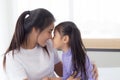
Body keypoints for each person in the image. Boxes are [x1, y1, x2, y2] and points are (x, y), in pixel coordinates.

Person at [3, 8, 98, 80]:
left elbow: (63, 72)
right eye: (49, 31)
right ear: (35, 30)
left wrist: (86, 66)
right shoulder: (12, 58)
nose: (51, 37)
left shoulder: (48, 45)